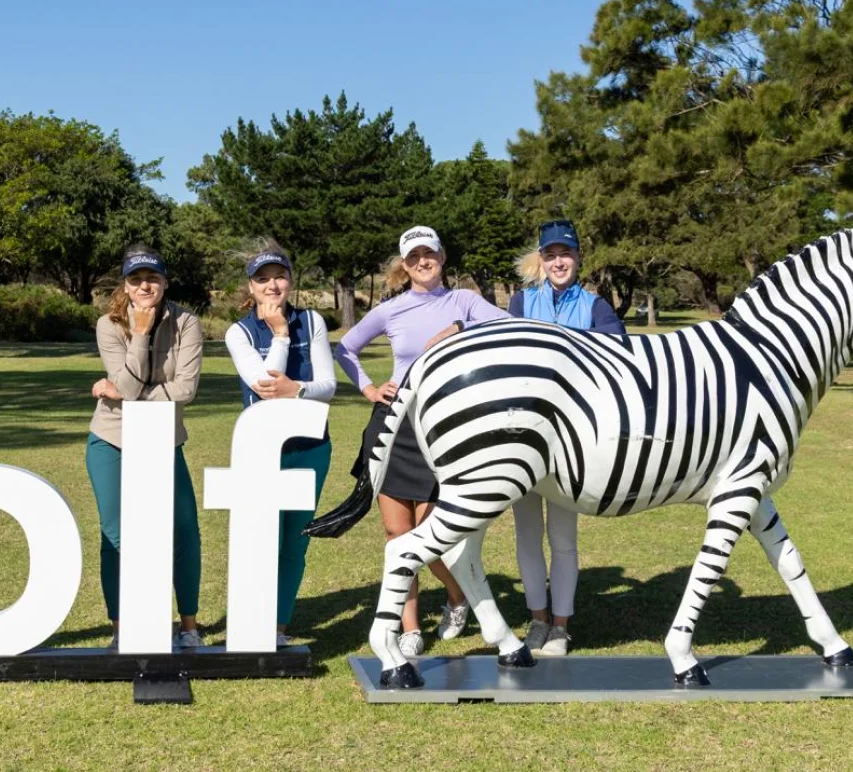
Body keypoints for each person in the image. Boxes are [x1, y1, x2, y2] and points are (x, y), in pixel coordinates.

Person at [335, 225, 509, 658]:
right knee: (397, 533)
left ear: (442, 257)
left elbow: (510, 329)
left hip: (445, 428)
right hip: (394, 423)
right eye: (413, 257)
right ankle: (409, 627)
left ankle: (457, 597)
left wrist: (458, 328)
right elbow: (346, 348)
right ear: (404, 264)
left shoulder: (464, 301)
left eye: (428, 254)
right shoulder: (391, 309)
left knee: (435, 536)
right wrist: (369, 388)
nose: (422, 262)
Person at [507, 218, 626, 656]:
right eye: (551, 254)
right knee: (526, 535)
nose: (559, 261)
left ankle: (560, 626)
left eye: (567, 254)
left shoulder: (597, 307)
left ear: (579, 258)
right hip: (523, 437)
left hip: (572, 443)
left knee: (563, 538)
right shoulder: (521, 301)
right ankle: (536, 620)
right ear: (542, 259)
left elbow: (617, 365)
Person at [85, 244, 205, 650]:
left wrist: (123, 393)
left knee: (184, 529)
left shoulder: (187, 322)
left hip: (163, 440)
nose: (145, 285)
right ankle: (120, 628)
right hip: (113, 439)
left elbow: (186, 389)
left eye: (152, 278)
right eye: (136, 279)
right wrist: (139, 333)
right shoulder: (107, 324)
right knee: (115, 535)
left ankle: (188, 626)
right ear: (126, 285)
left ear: (165, 282)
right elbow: (132, 387)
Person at [223, 244, 338, 647]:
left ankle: (277, 627)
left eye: (279, 276)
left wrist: (298, 389)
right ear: (250, 287)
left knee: (294, 541)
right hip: (261, 448)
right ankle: (252, 621)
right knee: (259, 537)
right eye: (262, 278)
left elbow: (328, 387)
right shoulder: (237, 332)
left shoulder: (313, 319)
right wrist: (281, 336)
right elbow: (265, 385)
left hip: (309, 446)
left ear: (290, 279)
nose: (273, 285)